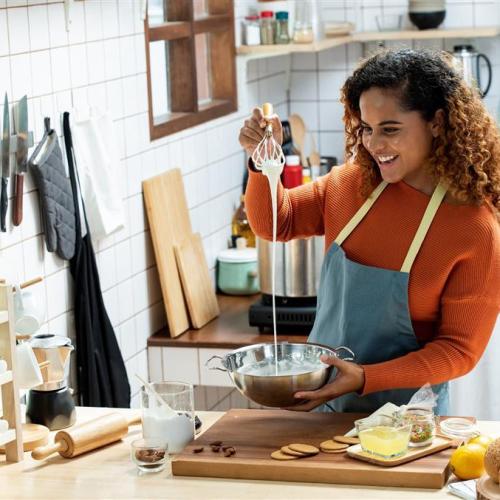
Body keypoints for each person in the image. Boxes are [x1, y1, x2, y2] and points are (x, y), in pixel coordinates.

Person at [238, 48, 500, 415]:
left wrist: (364, 377)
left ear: (437, 122)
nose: (375, 145)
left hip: (409, 425)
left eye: (390, 129)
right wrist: (260, 159)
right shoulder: (352, 185)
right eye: (366, 129)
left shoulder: (473, 229)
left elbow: (458, 350)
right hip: (321, 407)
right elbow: (276, 223)